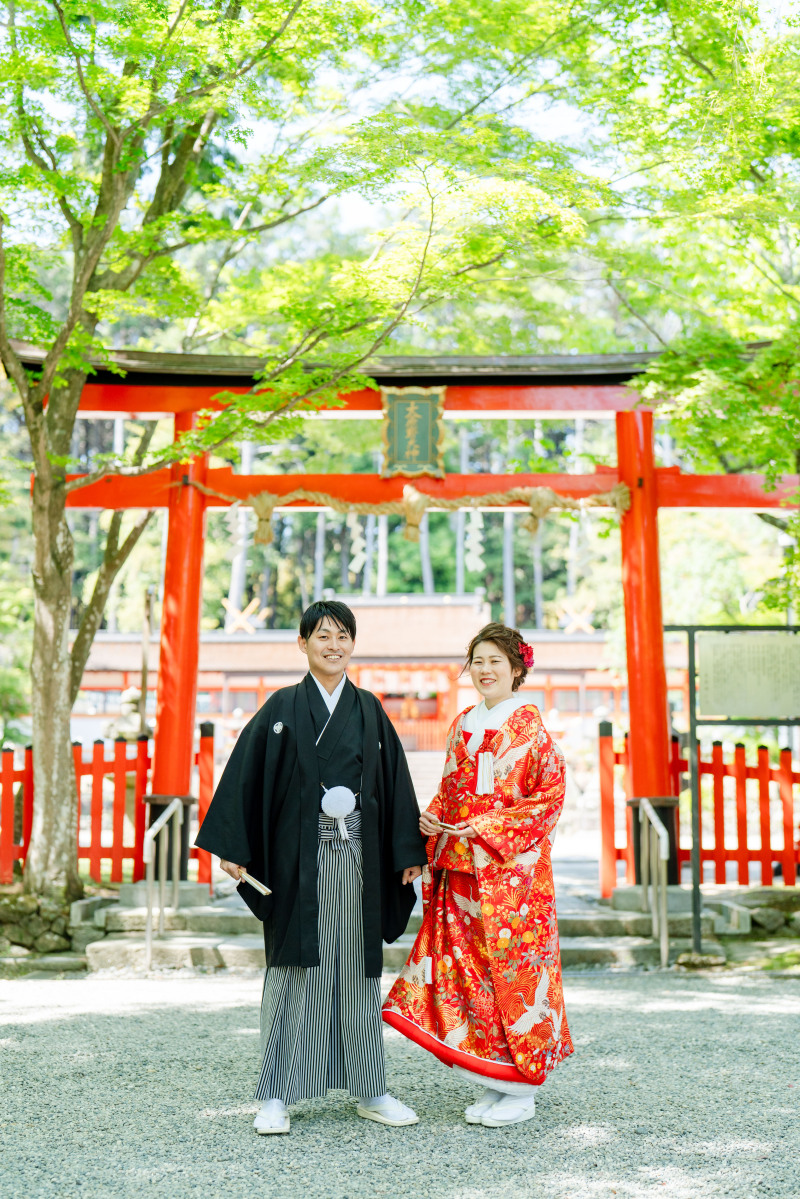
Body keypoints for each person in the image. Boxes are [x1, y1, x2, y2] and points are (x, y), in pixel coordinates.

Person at [195, 600, 427, 1135]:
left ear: (353, 644)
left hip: (358, 860)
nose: (334, 645)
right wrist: (236, 845)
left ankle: (370, 1087)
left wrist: (405, 854)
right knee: (291, 970)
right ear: (302, 643)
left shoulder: (368, 709)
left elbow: (395, 785)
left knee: (357, 972)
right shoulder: (280, 708)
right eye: (322, 636)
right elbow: (245, 778)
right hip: (295, 858)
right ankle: (276, 1093)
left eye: (343, 636)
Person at [382, 621, 573, 1127]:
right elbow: (450, 789)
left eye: (497, 662)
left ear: (517, 670)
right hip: (462, 872)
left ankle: (522, 1086)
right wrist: (432, 824)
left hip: (514, 881)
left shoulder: (531, 730)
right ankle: (494, 1078)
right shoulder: (464, 721)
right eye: (478, 662)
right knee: (468, 974)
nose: (486, 671)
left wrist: (481, 825)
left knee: (512, 975)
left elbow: (548, 800)